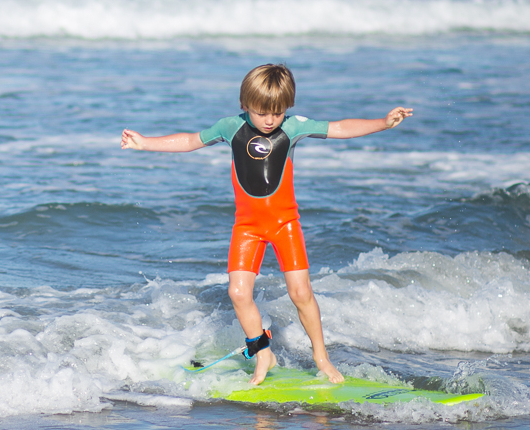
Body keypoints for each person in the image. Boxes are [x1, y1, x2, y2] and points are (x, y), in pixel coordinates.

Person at [120, 63, 412, 385]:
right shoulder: (230, 127)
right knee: (238, 292)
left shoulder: (294, 126)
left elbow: (339, 127)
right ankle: (263, 354)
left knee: (301, 293)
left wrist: (383, 123)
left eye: (277, 112)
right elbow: (190, 140)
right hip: (247, 227)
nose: (270, 120)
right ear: (245, 105)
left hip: (285, 224)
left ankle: (321, 357)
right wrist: (144, 142)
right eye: (262, 113)